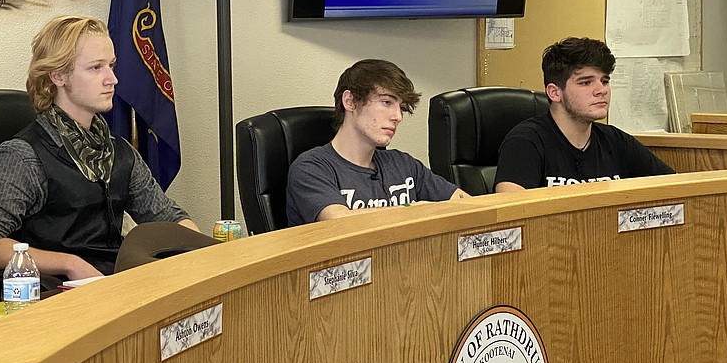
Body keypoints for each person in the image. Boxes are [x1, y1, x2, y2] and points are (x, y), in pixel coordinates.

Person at [0, 15, 198, 279]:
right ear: (58, 76)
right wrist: (69, 264)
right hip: (58, 298)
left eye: (111, 66)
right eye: (96, 68)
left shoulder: (118, 152)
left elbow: (168, 218)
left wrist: (204, 251)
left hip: (117, 287)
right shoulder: (23, 157)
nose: (112, 79)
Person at [286, 59, 469, 226]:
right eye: (387, 102)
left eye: (401, 108)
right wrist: (413, 210)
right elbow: (340, 222)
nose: (397, 117)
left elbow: (468, 205)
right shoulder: (311, 168)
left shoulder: (403, 164)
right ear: (350, 101)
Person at [494, 37, 674, 191]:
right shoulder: (525, 141)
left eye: (604, 81)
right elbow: (511, 215)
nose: (601, 90)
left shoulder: (615, 141)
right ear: (555, 93)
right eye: (586, 82)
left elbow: (675, 187)